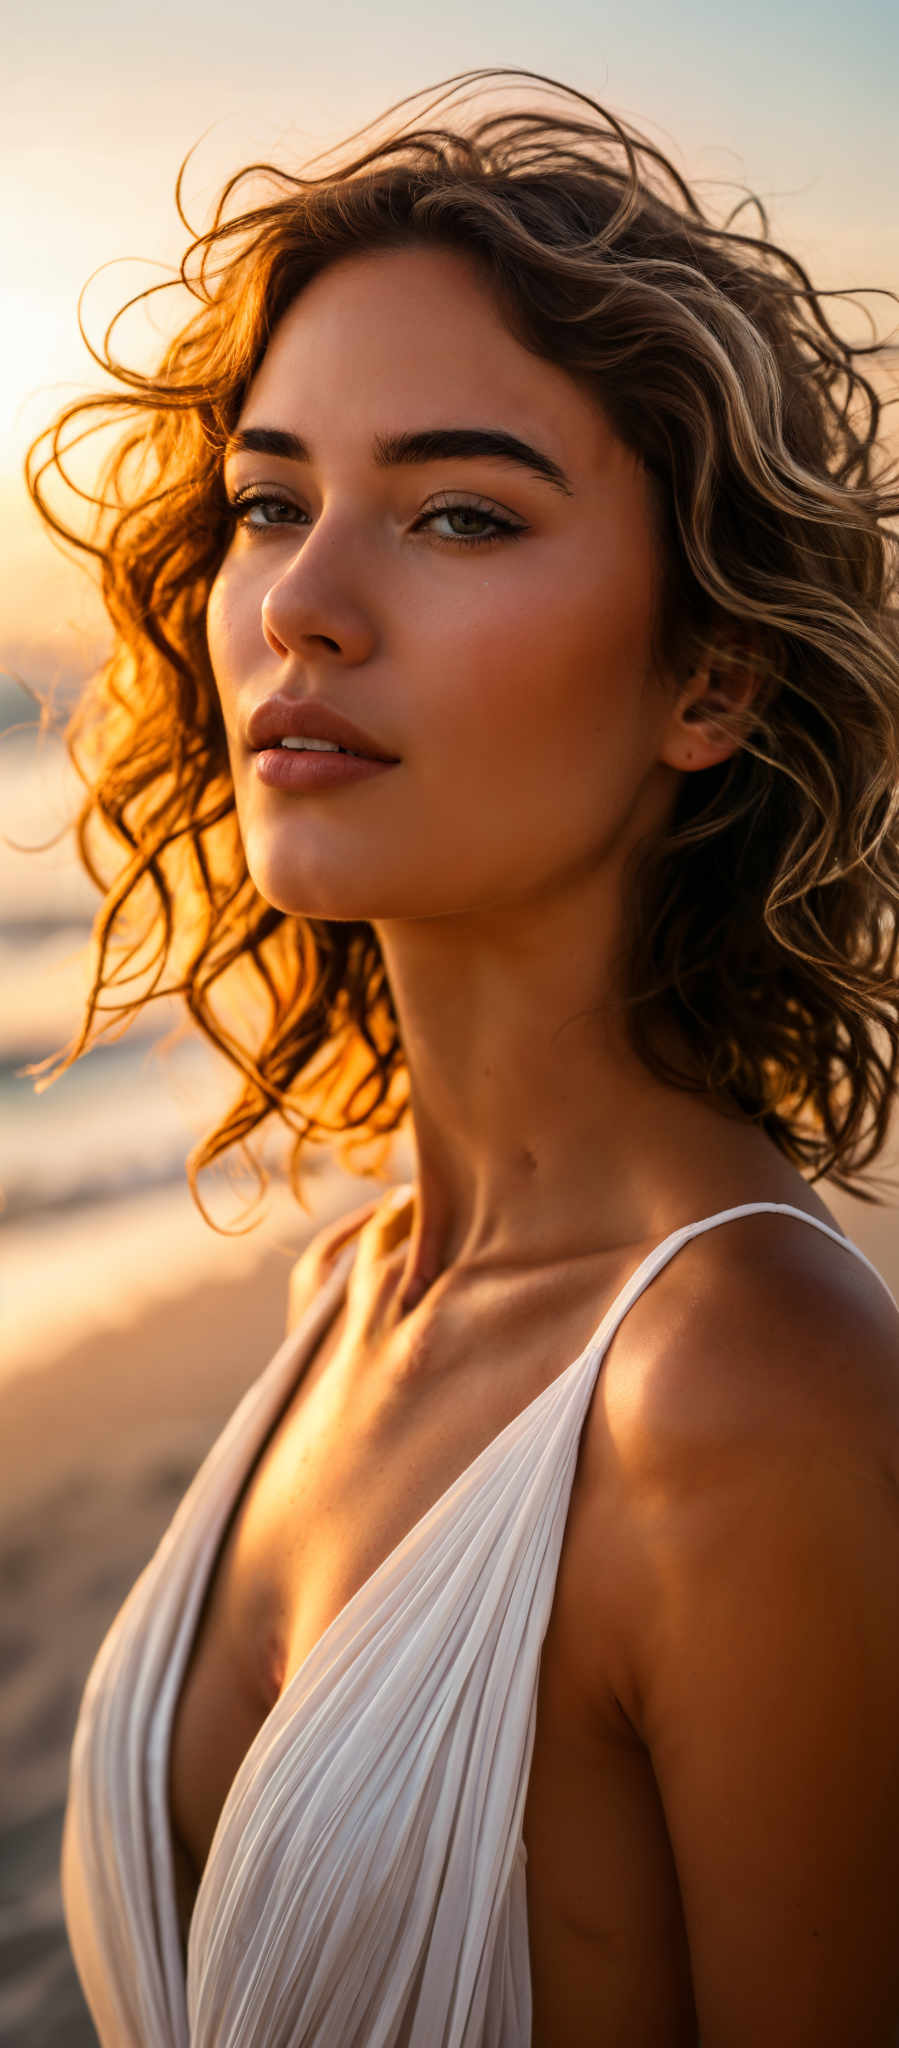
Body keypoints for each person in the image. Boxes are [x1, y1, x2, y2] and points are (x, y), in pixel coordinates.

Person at [27, 64, 899, 2048]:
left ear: (712, 675)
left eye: (456, 513)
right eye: (268, 503)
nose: (304, 607)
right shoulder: (349, 1286)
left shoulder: (738, 1393)